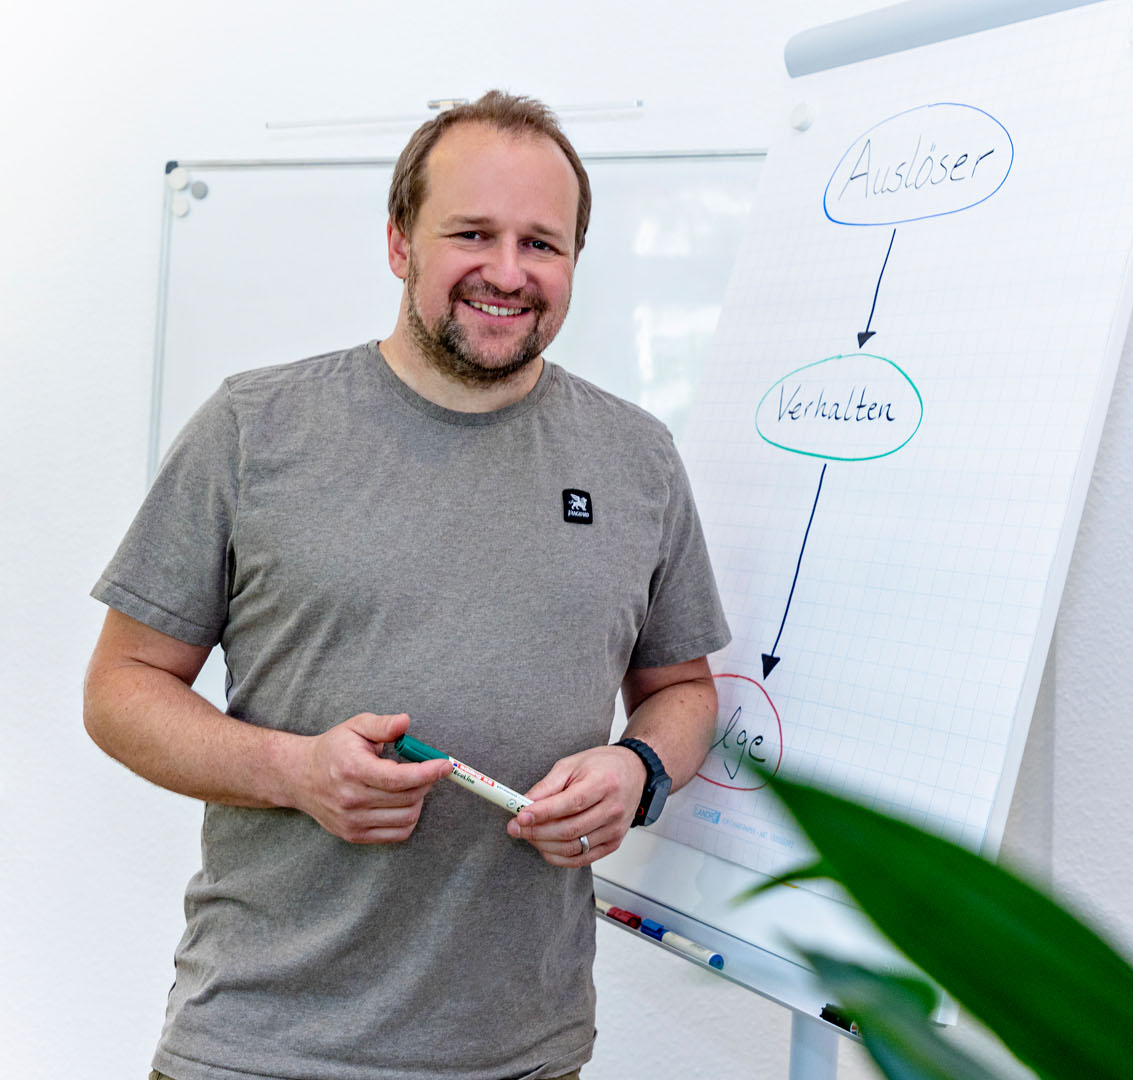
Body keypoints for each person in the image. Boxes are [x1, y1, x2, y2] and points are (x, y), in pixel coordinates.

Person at [83, 90, 731, 1080]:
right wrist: (297, 773)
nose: (507, 273)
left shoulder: (637, 458)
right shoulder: (255, 429)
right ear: (399, 241)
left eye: (542, 244)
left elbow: (682, 691)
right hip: (261, 1048)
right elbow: (120, 690)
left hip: (524, 1053)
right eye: (472, 233)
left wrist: (639, 771)